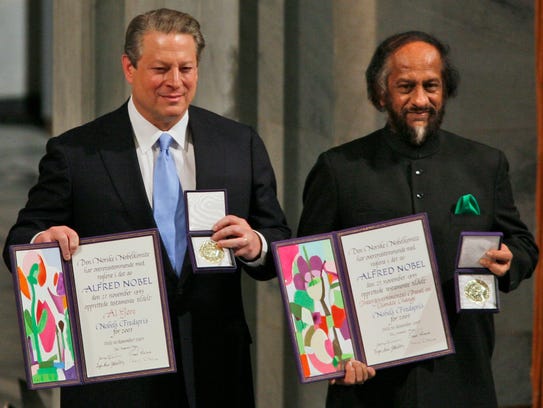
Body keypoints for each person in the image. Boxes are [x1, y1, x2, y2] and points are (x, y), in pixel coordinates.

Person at [2, 8, 290, 408]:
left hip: (215, 371)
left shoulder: (239, 144)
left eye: (186, 68)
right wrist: (42, 241)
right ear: (129, 67)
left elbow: (279, 240)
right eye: (160, 68)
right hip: (114, 378)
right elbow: (19, 239)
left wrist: (256, 244)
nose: (175, 82)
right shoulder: (76, 152)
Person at [297, 31, 539, 407]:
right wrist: (333, 356)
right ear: (380, 94)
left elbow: (523, 244)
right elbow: (306, 270)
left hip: (462, 373)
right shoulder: (339, 169)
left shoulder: (485, 164)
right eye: (405, 87)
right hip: (369, 382)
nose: (420, 99)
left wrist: (512, 260)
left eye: (431, 86)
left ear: (445, 91)